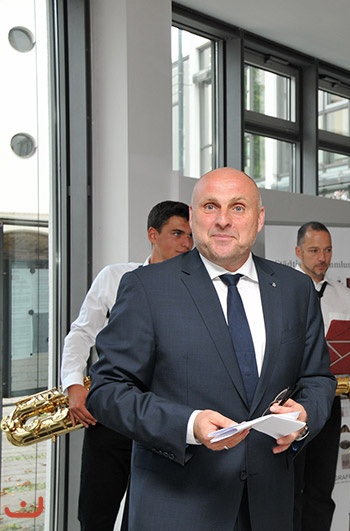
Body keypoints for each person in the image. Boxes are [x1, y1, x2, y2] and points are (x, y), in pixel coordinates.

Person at [86, 168, 336, 530]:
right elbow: (107, 391)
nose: (223, 220)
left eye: (238, 208)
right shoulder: (146, 287)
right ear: (192, 216)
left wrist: (306, 413)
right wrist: (188, 424)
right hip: (178, 507)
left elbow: (318, 378)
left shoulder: (295, 289)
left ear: (259, 219)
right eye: (210, 206)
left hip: (269, 505)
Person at [61, 200, 192, 531]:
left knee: (150, 517)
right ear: (153, 234)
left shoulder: (198, 289)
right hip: (111, 411)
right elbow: (81, 333)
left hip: (165, 416)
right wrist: (73, 383)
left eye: (191, 236)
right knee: (96, 514)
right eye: (178, 233)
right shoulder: (114, 276)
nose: (186, 244)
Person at [292, 221, 350, 531]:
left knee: (321, 488)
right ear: (298, 252)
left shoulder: (345, 297)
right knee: (289, 489)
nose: (323, 258)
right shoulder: (282, 290)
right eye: (314, 250)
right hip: (290, 401)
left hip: (329, 400)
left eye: (328, 250)